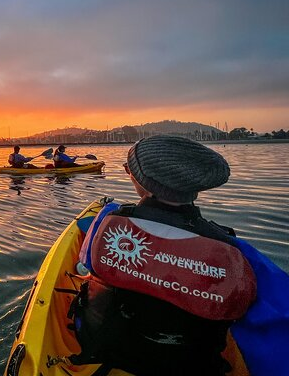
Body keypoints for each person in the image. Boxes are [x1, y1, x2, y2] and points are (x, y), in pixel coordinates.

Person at [69, 135, 259, 375]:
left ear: (144, 184)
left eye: (130, 171)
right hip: (194, 364)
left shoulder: (112, 224)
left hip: (117, 352)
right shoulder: (225, 243)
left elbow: (88, 265)